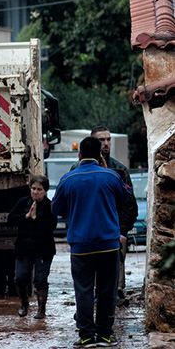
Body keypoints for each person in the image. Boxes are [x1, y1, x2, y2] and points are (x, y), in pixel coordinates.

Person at [52, 137, 132, 348]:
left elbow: (56, 209)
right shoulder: (111, 176)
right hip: (108, 245)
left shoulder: (67, 179)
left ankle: (86, 336)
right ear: (99, 155)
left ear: (79, 156)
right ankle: (105, 335)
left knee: (83, 290)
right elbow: (126, 199)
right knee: (107, 290)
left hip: (80, 246)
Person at [71, 126, 138, 302]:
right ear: (93, 142)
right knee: (88, 268)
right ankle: (92, 303)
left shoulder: (119, 170)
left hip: (113, 227)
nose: (106, 143)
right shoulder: (76, 169)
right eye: (102, 140)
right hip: (85, 229)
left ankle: (116, 292)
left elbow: (129, 203)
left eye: (108, 139)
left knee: (115, 263)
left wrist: (123, 230)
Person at [8, 175, 57, 319]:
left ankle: (41, 309)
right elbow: (10, 219)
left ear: (45, 191)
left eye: (39, 189)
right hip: (24, 248)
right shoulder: (23, 202)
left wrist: (37, 219)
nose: (35, 192)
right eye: (33, 188)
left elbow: (51, 227)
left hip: (43, 249)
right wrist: (26, 216)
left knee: (40, 279)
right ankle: (24, 303)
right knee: (20, 278)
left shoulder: (50, 206)